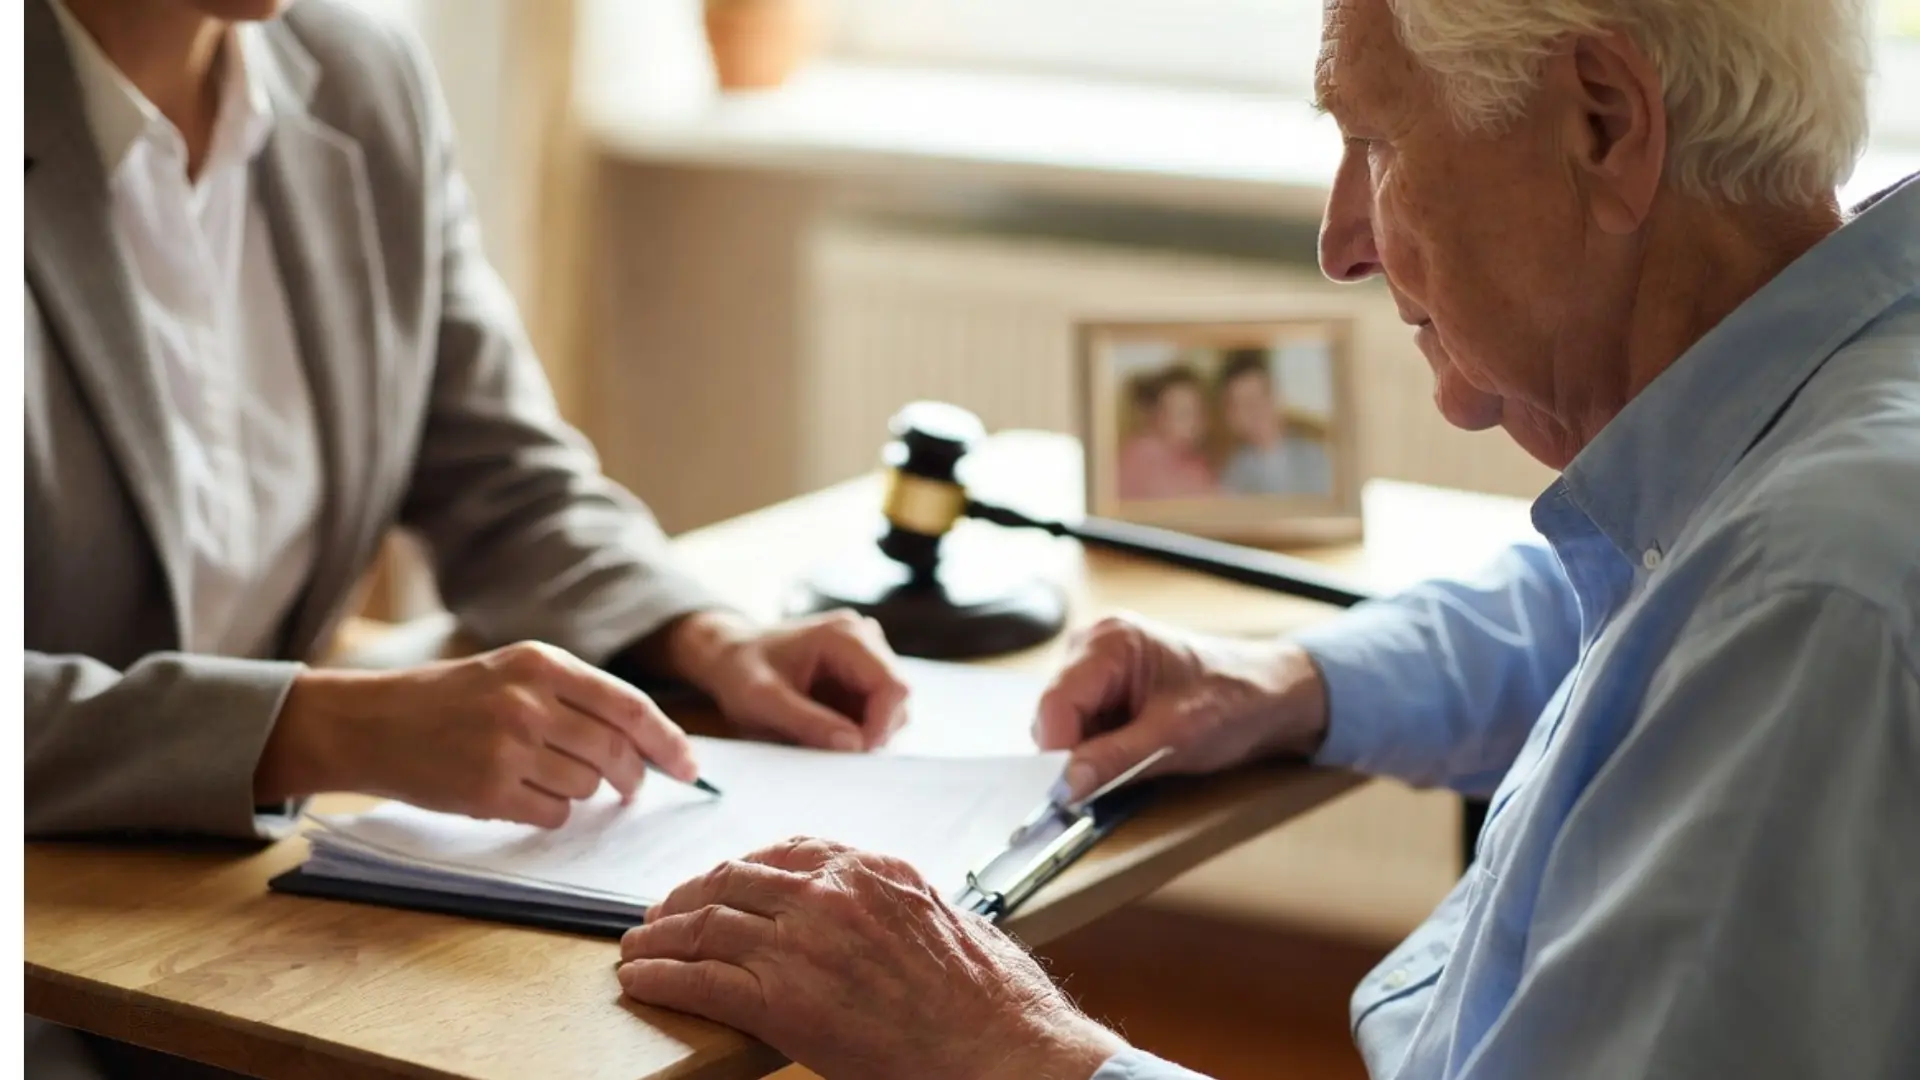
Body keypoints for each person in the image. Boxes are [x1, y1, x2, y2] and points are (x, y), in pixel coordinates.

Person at [615, 0, 1920, 1077]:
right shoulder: (1830, 402)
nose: (1341, 241)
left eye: (1378, 142)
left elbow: (1742, 603)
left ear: (1605, 121)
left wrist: (1000, 1046)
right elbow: (1636, 586)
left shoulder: (1809, 599)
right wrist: (1299, 679)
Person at [23, 0, 908, 1073]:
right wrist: (311, 730)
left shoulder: (357, 75)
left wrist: (702, 635)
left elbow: (500, 469)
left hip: (225, 903)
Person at [1213, 347, 1334, 497]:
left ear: (1276, 397)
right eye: (1242, 404)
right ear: (1231, 417)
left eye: (1259, 397)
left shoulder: (1318, 457)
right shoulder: (1231, 477)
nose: (1254, 410)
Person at [1116, 364, 1218, 500]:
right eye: (1182, 413)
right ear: (1157, 416)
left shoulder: (1195, 459)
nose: (1194, 422)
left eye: (1197, 411)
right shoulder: (1143, 456)